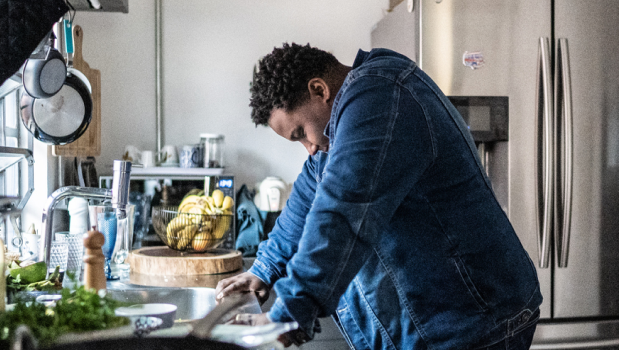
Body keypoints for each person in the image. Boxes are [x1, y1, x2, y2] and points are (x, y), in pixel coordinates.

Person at [216, 43, 542, 350]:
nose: (310, 148)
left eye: (301, 133)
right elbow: (307, 198)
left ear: (319, 89)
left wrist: (289, 313)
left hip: (472, 326)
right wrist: (262, 269)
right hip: (434, 328)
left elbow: (341, 213)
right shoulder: (344, 120)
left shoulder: (379, 96)